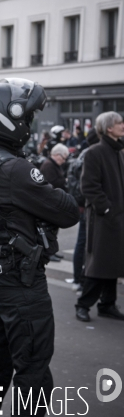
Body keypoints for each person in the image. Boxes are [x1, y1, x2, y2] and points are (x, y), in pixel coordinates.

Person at [0, 78, 79, 415]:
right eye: (27, 118)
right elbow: (68, 211)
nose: (30, 125)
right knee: (33, 367)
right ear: (8, 119)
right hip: (20, 279)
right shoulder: (14, 168)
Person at [75, 111, 124, 322]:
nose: (123, 125)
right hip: (104, 218)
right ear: (108, 128)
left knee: (113, 263)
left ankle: (107, 304)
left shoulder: (119, 151)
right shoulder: (95, 152)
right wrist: (107, 210)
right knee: (98, 265)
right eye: (119, 122)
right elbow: (89, 187)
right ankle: (83, 304)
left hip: (117, 217)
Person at [66, 128, 99, 292]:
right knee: (85, 242)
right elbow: (85, 184)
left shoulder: (83, 154)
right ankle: (80, 278)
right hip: (87, 205)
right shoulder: (91, 155)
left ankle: (79, 277)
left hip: (82, 203)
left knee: (83, 241)